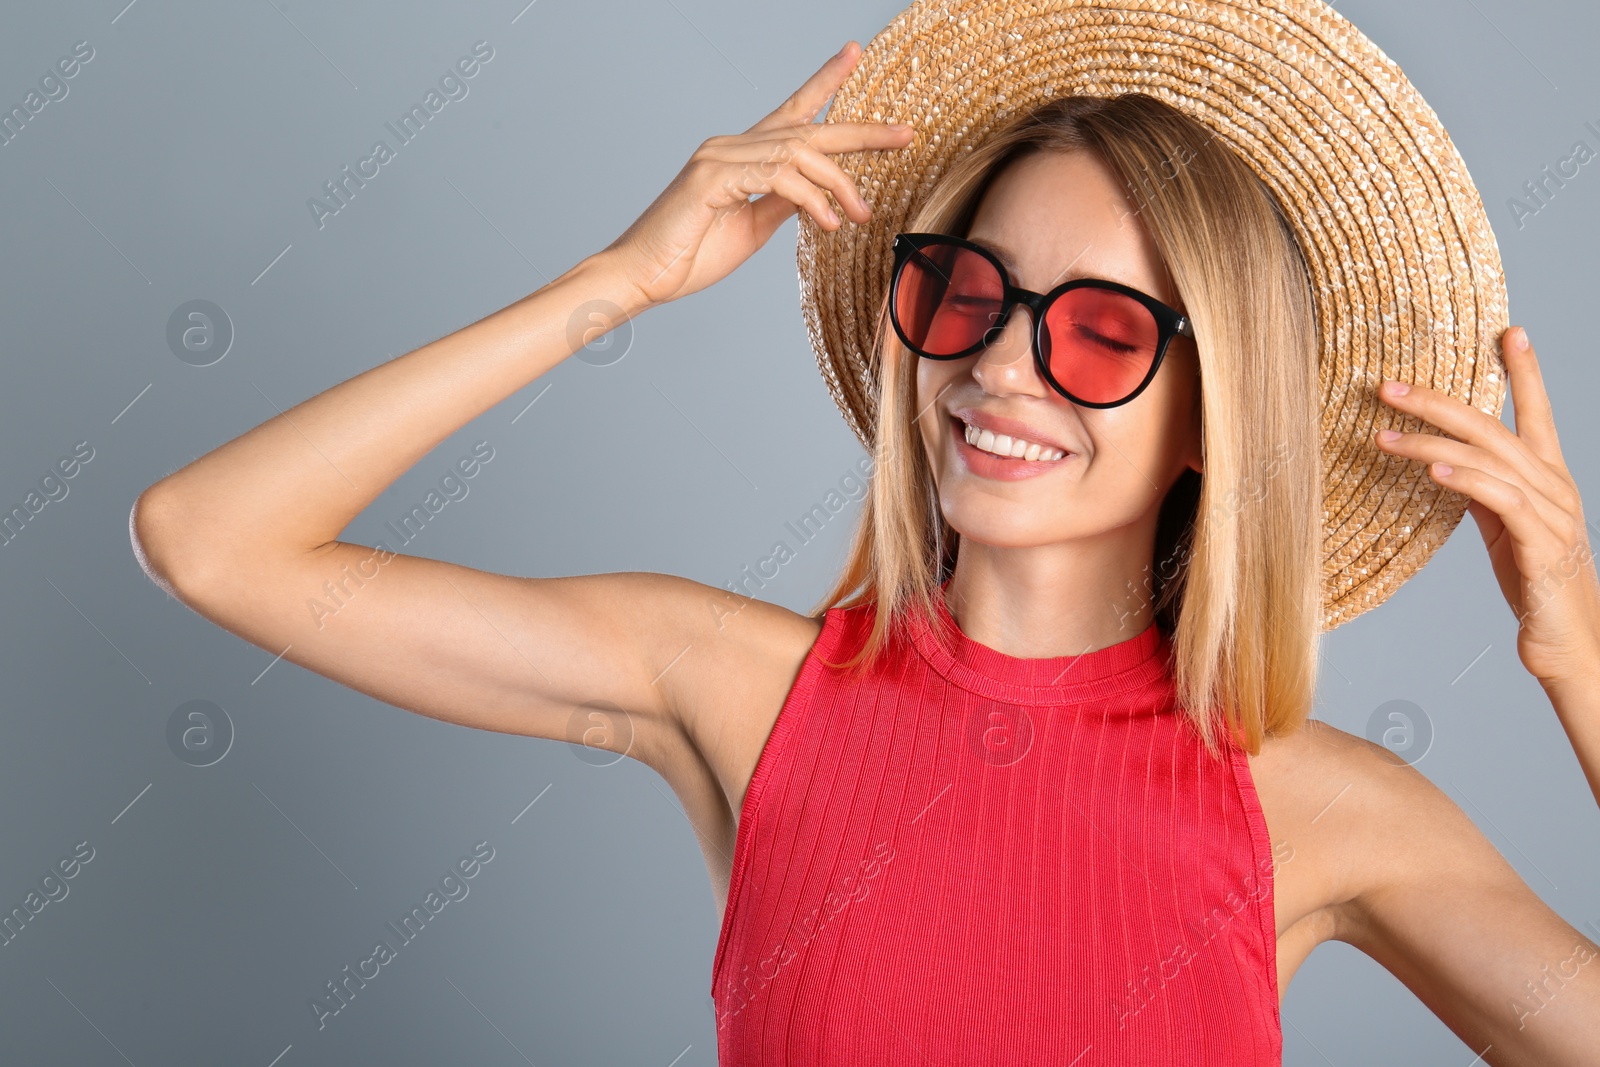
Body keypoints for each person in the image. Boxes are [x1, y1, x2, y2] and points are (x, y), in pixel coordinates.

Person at [131, 14, 1600, 1067]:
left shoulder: (1323, 809)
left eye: (1099, 329)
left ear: (1216, 416)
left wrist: (1578, 663)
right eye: (971, 291)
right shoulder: (732, 684)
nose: (1002, 367)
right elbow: (211, 539)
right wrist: (618, 282)